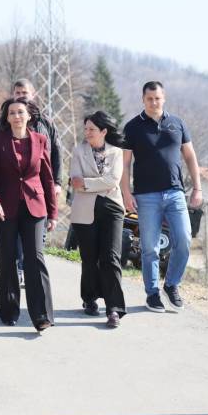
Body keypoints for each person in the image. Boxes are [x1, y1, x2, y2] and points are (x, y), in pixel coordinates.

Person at [120, 81, 202, 313]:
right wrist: (126, 192)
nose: (154, 102)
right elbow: (125, 164)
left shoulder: (177, 124)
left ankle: (172, 284)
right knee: (150, 248)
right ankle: (153, 293)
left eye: (157, 98)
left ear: (163, 98)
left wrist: (197, 188)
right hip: (146, 196)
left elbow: (190, 157)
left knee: (184, 240)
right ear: (143, 99)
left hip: (175, 193)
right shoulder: (132, 127)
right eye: (149, 99)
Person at [0, 97, 57, 332]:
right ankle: (9, 310)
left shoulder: (40, 140)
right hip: (4, 209)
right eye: (12, 113)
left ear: (29, 116)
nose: (16, 116)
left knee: (35, 258)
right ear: (7, 118)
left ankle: (42, 315)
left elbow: (47, 178)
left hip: (35, 206)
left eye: (20, 112)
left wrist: (53, 213)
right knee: (7, 258)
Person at [0, 79, 63, 284]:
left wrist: (57, 182)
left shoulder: (46, 123)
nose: (21, 96)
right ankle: (18, 270)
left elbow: (56, 153)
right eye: (17, 92)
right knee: (12, 242)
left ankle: (29, 272)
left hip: (39, 189)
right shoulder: (1, 124)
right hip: (10, 191)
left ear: (33, 95)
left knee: (35, 243)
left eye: (25, 92)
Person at [69, 111, 126, 328]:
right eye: (85, 129)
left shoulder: (117, 152)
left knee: (111, 257)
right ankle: (89, 298)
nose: (87, 132)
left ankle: (114, 309)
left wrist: (87, 183)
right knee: (89, 258)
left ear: (104, 131)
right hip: (84, 210)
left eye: (92, 129)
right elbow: (75, 181)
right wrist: (98, 183)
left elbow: (113, 180)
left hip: (112, 208)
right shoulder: (78, 151)